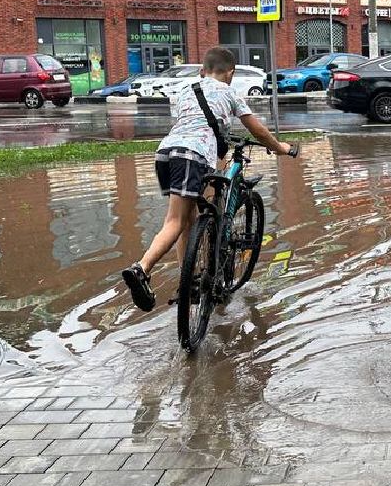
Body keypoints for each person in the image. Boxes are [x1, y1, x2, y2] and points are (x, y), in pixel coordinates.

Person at [121, 45, 299, 311]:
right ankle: (142, 269)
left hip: (166, 154)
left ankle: (188, 281)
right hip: (191, 156)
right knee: (176, 221)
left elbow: (191, 124)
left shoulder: (185, 91)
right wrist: (280, 148)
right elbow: (258, 131)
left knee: (188, 220)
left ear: (202, 71)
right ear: (231, 73)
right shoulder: (229, 92)